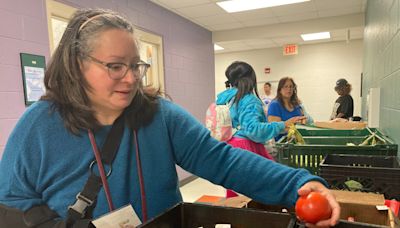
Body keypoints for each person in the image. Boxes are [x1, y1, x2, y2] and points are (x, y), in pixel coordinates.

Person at [0, 9, 339, 228]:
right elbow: (12, 204)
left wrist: (295, 184)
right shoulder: (38, 126)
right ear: (76, 65)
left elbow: (221, 160)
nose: (132, 78)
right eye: (115, 66)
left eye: (135, 65)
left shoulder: (159, 115)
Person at [217, 62, 306, 198]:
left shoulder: (225, 98)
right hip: (246, 149)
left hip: (229, 147)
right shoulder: (248, 100)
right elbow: (253, 130)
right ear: (251, 78)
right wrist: (282, 125)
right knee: (257, 193)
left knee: (237, 195)